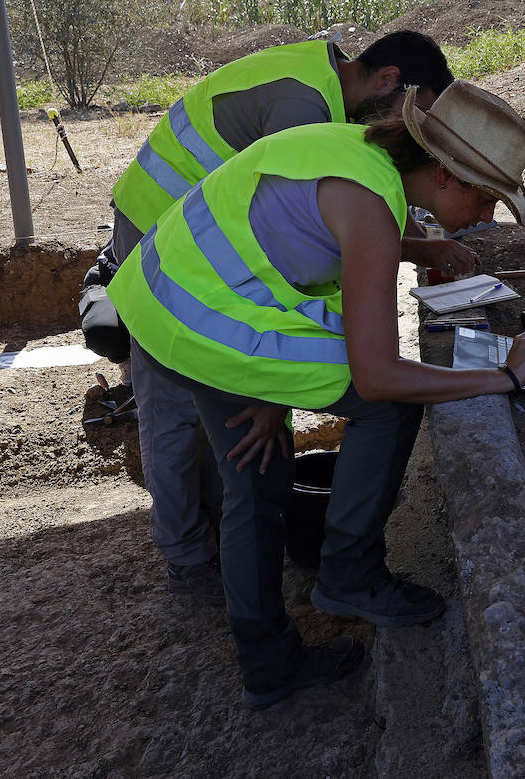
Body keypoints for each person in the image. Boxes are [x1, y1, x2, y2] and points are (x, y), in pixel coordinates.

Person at [106, 80, 525, 709]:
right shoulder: (372, 201)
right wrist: (504, 376)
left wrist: (265, 388)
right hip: (203, 321)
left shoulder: (354, 151)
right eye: (486, 201)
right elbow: (376, 377)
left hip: (170, 303)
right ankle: (350, 573)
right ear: (447, 177)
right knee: (389, 404)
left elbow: (308, 247)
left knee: (256, 481)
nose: (488, 218)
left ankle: (269, 662)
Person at [82, 31, 478, 608]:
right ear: (390, 82)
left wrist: (420, 248)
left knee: (246, 452)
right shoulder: (304, 109)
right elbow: (304, 257)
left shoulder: (321, 88)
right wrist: (271, 390)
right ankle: (189, 557)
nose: (412, 133)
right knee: (169, 406)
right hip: (164, 235)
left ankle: (236, 545)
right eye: (413, 114)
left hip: (201, 242)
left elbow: (314, 251)